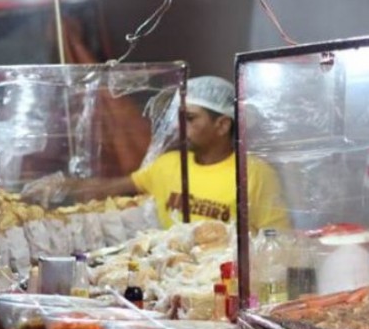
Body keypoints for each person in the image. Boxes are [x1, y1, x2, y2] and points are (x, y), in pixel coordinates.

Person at [23, 76, 290, 232]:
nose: (178, 126)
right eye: (179, 117)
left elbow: (277, 240)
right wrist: (62, 186)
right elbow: (110, 188)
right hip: (174, 280)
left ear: (222, 125)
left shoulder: (254, 174)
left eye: (190, 118)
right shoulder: (168, 165)